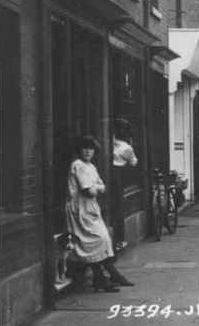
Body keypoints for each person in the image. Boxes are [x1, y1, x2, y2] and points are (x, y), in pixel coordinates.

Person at [66, 135, 134, 292]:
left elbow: (102, 187)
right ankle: (106, 277)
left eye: (91, 148)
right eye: (85, 148)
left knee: (102, 241)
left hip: (90, 208)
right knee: (97, 241)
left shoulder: (90, 166)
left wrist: (98, 187)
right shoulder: (79, 166)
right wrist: (98, 187)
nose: (88, 151)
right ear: (79, 150)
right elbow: (89, 190)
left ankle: (106, 277)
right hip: (80, 210)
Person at [110, 118, 138, 250]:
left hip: (108, 174)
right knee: (118, 205)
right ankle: (119, 239)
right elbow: (133, 162)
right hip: (118, 176)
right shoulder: (126, 148)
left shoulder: (109, 142)